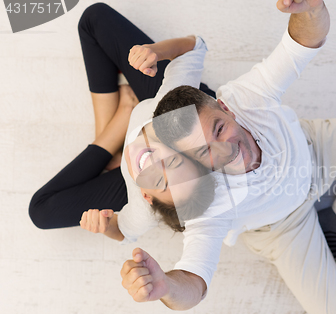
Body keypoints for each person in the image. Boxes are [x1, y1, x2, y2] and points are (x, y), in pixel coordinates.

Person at [119, 0, 336, 314]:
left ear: (225, 108)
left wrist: (312, 9)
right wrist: (166, 287)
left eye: (219, 129)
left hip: (315, 149)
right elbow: (195, 279)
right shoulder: (211, 204)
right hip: (283, 226)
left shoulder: (246, 97)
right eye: (205, 152)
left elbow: (301, 43)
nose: (227, 149)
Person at [28, 3, 217, 239]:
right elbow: (194, 47)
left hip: (144, 174)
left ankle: (122, 117)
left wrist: (106, 226)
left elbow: (123, 232)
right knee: (93, 18)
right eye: (173, 162)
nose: (154, 163)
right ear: (187, 152)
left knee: (41, 213)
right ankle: (122, 124)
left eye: (159, 180)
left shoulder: (144, 208)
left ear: (147, 198)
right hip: (158, 113)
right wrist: (156, 51)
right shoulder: (177, 116)